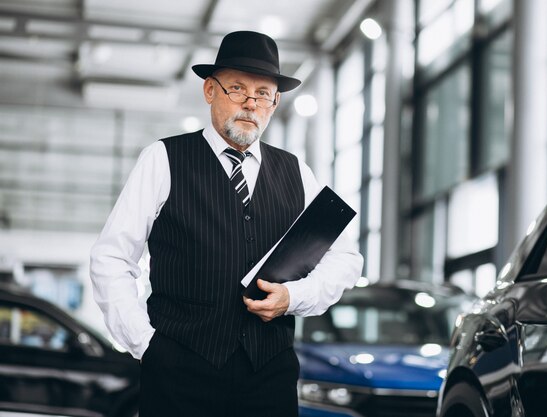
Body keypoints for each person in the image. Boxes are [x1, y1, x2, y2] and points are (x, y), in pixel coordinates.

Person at [89, 30, 363, 417]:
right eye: (237, 88)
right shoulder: (163, 158)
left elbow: (346, 257)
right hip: (179, 372)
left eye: (263, 94)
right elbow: (112, 258)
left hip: (269, 374)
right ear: (210, 91)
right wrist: (146, 344)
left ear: (276, 102)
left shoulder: (296, 171)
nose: (251, 104)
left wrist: (295, 298)